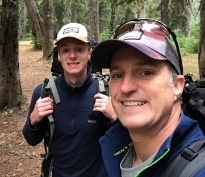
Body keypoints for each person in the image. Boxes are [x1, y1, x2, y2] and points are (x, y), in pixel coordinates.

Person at [90, 18, 205, 177]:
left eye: (146, 73)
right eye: (117, 75)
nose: (126, 87)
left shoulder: (197, 170)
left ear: (177, 86)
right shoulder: (117, 148)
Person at [22, 22, 117, 177]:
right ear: (59, 55)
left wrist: (114, 118)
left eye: (79, 49)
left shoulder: (107, 92)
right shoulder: (43, 93)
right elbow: (31, 140)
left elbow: (125, 143)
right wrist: (33, 120)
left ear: (89, 53)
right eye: (66, 50)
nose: (72, 56)